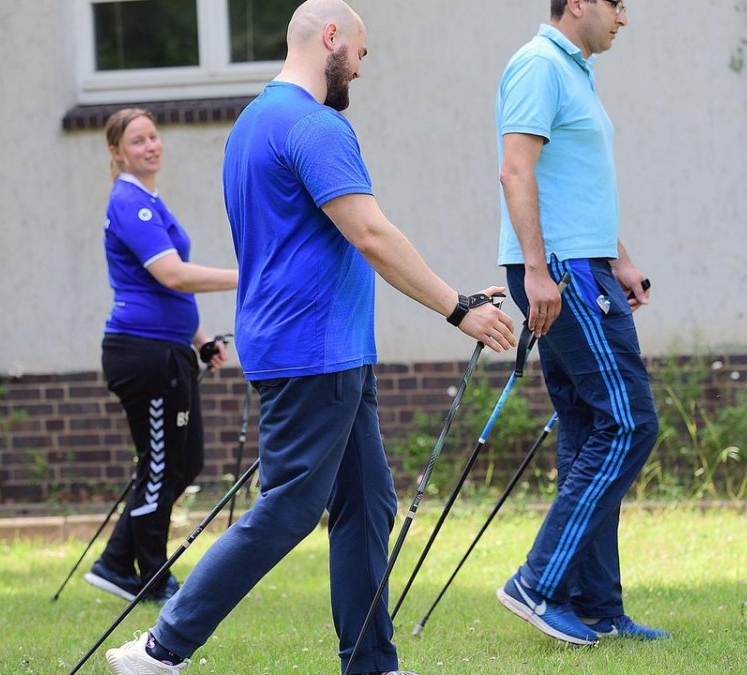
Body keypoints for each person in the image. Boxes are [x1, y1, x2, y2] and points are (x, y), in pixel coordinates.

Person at [105, 2, 516, 673]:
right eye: (359, 50)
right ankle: (161, 647)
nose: (360, 64)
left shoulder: (252, 123)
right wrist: (456, 306)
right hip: (312, 349)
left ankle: (371, 662)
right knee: (292, 504)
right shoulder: (315, 126)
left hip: (322, 347)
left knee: (368, 500)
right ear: (331, 37)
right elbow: (370, 231)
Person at [493, 0, 669, 646]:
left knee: (590, 425)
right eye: (616, 4)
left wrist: (619, 258)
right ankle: (537, 582)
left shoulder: (576, 72)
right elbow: (517, 169)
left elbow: (575, 184)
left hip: (584, 263)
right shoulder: (539, 64)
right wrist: (538, 271)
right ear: (576, 5)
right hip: (562, 271)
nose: (624, 18)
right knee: (629, 421)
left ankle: (595, 603)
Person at [84, 108, 238, 608]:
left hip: (171, 351)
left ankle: (114, 563)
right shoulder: (130, 203)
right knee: (160, 465)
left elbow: (172, 292)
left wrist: (200, 342)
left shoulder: (148, 200)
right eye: (138, 140)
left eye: (154, 136)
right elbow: (173, 275)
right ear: (117, 153)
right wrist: (249, 276)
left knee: (185, 462)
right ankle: (152, 576)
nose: (151, 145)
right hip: (142, 354)